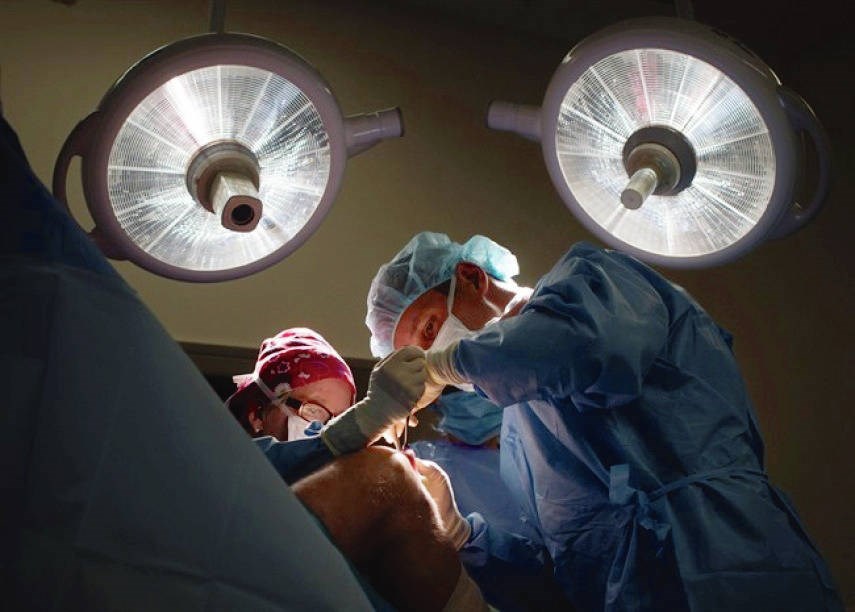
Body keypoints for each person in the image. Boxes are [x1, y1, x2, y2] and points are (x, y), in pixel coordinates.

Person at [366, 231, 844, 612]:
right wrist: (462, 534)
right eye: (420, 355)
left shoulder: (592, 283)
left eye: (429, 329)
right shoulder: (519, 431)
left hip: (729, 556)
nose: (432, 353)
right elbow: (564, 576)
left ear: (470, 278)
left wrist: (442, 366)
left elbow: (589, 349)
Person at [225, 326, 490, 612]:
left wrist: (448, 529)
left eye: (340, 419)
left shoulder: (352, 518)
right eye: (313, 411)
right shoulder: (217, 459)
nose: (323, 428)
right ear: (256, 415)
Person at [410, 391, 568, 611]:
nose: (473, 402)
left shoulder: (536, 464)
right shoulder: (419, 462)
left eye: (479, 388)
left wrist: (463, 535)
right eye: (457, 389)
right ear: (434, 396)